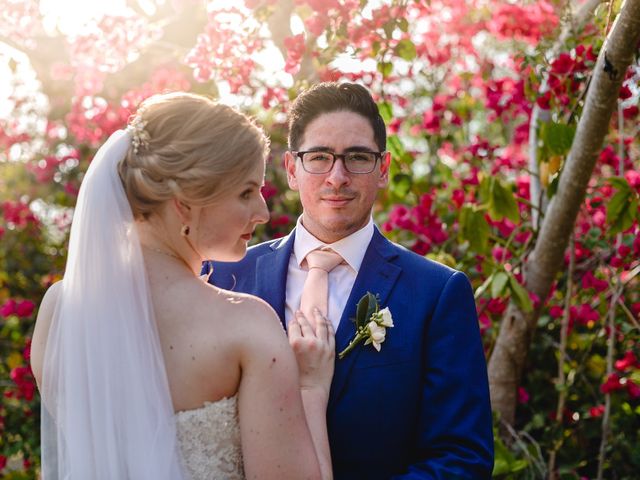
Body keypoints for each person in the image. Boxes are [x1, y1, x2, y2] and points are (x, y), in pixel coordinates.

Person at [30, 92, 335, 480]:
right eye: (245, 192)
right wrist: (310, 388)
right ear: (184, 203)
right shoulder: (244, 326)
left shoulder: (60, 310)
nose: (263, 212)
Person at [206, 82, 494, 479]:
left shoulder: (436, 293)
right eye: (320, 157)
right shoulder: (223, 277)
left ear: (383, 169)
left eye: (357, 157)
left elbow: (462, 458)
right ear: (292, 168)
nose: (337, 177)